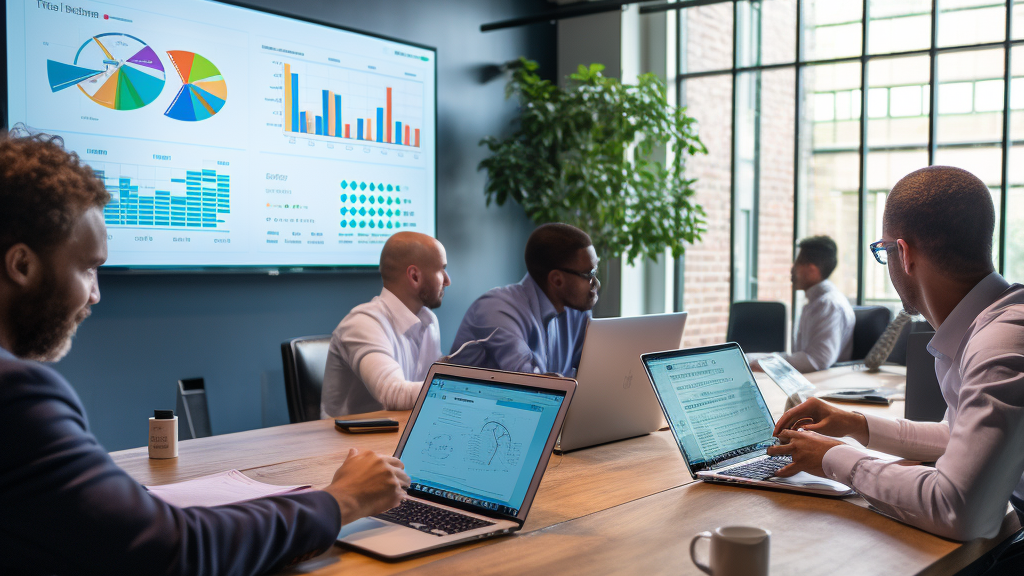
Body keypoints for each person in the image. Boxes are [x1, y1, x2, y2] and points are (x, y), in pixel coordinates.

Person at [0, 133, 410, 576]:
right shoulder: (16, 394)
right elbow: (172, 549)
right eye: (88, 268)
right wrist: (341, 500)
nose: (95, 295)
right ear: (22, 265)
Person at [767, 166, 1024, 542]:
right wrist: (856, 424)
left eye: (882, 251)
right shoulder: (992, 325)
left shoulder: (1000, 345)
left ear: (902, 253)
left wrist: (834, 458)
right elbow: (958, 437)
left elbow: (960, 509)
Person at [320, 231, 450, 417]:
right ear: (414, 276)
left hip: (398, 436)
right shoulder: (362, 323)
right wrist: (458, 390)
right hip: (348, 443)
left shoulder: (429, 322)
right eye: (441, 270)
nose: (447, 280)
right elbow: (393, 394)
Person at [449, 222, 599, 376]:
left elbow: (593, 373)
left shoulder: (576, 311)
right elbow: (529, 383)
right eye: (589, 274)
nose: (596, 284)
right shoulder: (496, 309)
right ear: (557, 280)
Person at [751, 235, 855, 373]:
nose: (792, 270)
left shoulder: (828, 305)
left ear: (812, 270)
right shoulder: (818, 303)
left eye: (797, 263)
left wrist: (759, 362)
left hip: (822, 385)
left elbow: (817, 360)